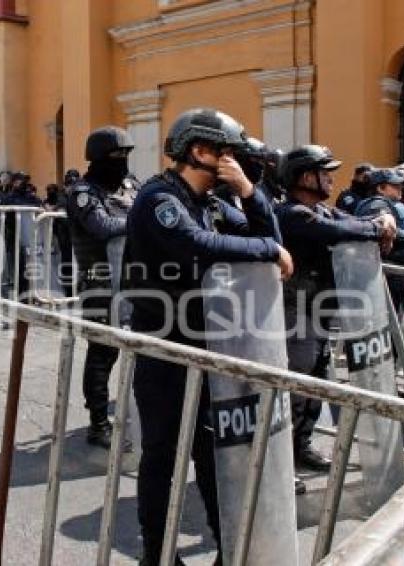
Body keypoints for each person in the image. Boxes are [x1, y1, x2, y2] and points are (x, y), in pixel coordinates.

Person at [124, 108, 292, 565]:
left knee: (211, 453)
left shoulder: (213, 202)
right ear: (199, 150)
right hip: (165, 348)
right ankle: (157, 554)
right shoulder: (160, 199)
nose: (233, 161)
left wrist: (249, 192)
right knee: (162, 455)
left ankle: (230, 548)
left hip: (209, 347)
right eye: (226, 153)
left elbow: (270, 238)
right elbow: (200, 244)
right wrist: (268, 249)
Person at [276, 145, 396, 472]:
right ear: (304, 177)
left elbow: (354, 221)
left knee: (316, 384)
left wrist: (383, 219)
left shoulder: (323, 209)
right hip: (296, 312)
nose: (331, 178)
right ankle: (279, 463)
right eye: (324, 171)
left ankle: (301, 447)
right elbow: (338, 231)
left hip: (320, 311)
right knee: (296, 388)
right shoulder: (292, 214)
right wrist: (378, 227)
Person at [66, 126, 135, 449]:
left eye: (125, 156)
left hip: (134, 281)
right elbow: (101, 226)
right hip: (99, 283)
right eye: (115, 157)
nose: (121, 162)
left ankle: (133, 413)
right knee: (103, 353)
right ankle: (98, 422)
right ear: (97, 159)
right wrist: (141, 223)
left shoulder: (128, 185)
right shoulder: (83, 192)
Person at [356, 168, 404, 312]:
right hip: (390, 271)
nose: (401, 188)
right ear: (380, 188)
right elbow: (386, 231)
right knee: (388, 317)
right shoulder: (376, 204)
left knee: (395, 316)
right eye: (395, 185)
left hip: (395, 271)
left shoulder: (386, 204)